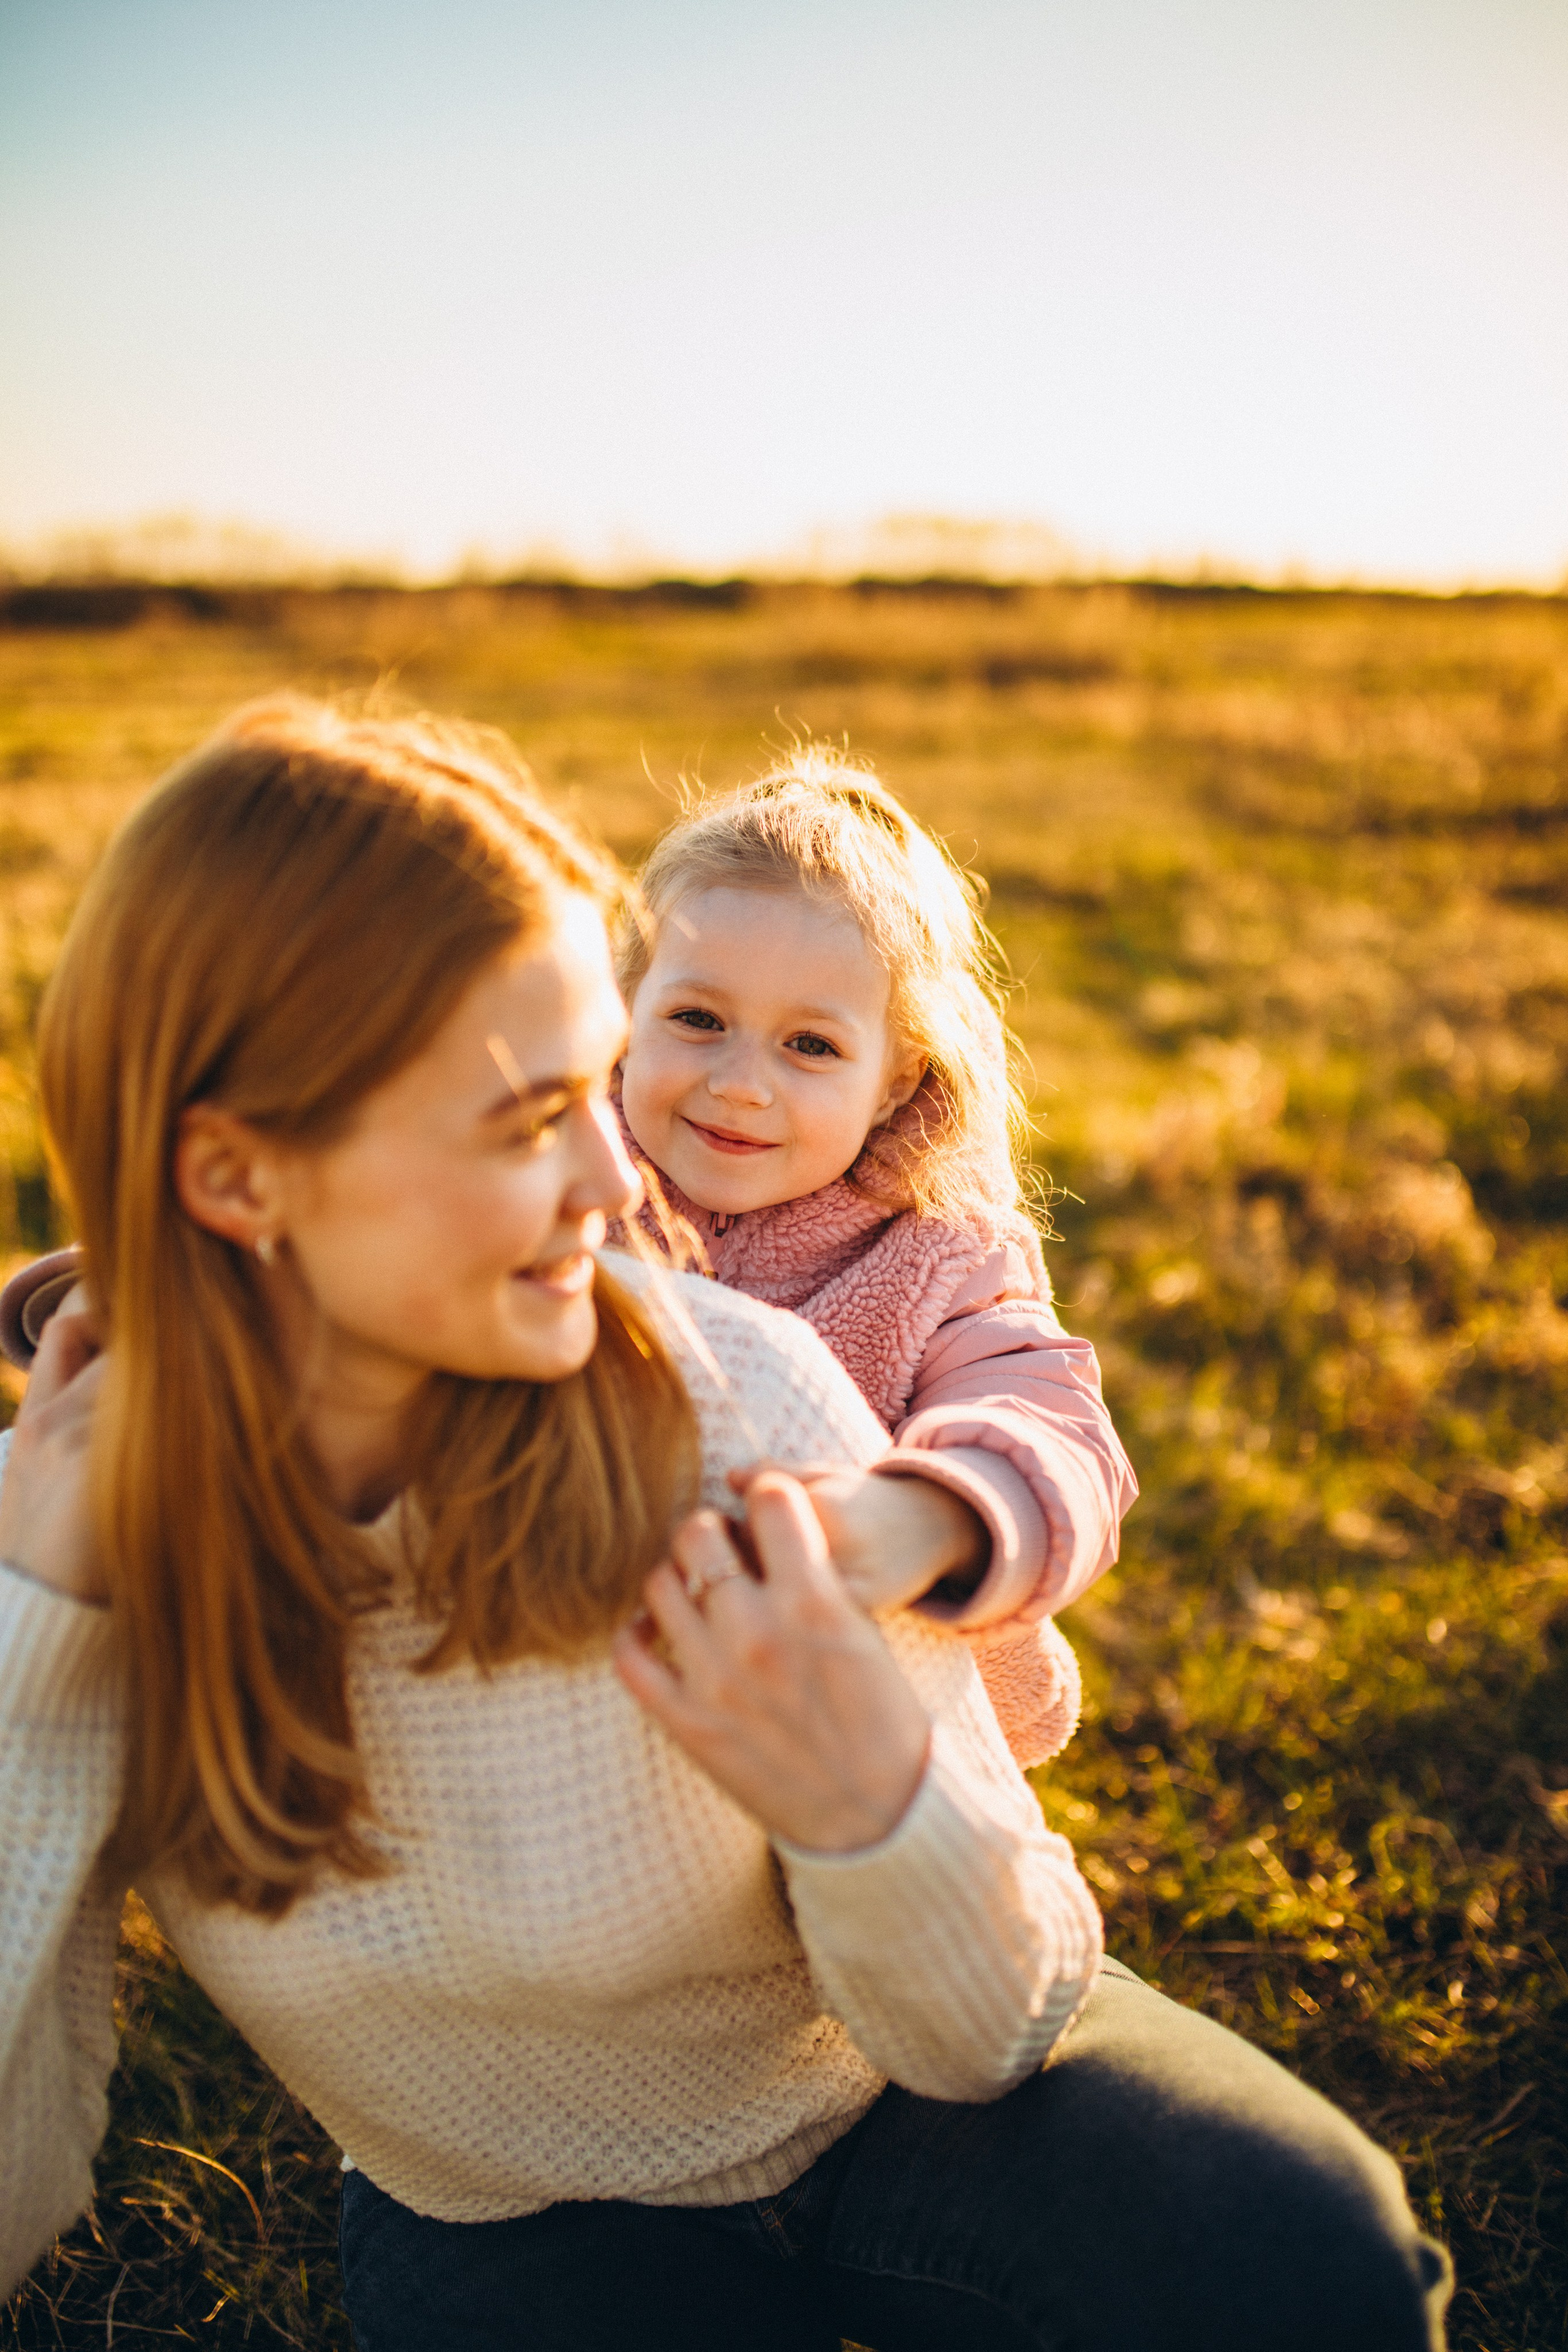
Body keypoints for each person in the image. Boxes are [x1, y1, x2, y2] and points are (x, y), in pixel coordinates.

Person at [0, 698, 1451, 2351]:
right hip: (514, 2202)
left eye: (577, 1097)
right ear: (234, 1181)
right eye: (527, 1117)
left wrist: (868, 1800)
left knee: (1306, 2266)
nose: (613, 1187)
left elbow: (986, 2032)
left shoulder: (752, 1407)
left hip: (885, 2093)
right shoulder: (64, 1540)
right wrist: (40, 1644)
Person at [616, 747, 1136, 1769]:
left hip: (851, 1727)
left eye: (810, 1046)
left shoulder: (942, 1256)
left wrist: (931, 1518)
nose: (740, 1084)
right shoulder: (561, 1185)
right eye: (697, 1019)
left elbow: (1059, 1429)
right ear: (625, 1013)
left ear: (897, 1085)